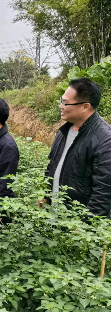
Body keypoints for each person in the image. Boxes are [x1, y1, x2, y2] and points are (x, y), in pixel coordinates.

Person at [45, 78, 111, 217]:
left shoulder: (105, 140)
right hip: (54, 217)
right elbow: (52, 165)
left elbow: (103, 192)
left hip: (77, 227)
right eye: (61, 100)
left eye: (65, 103)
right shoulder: (63, 131)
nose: (60, 106)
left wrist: (83, 229)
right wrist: (46, 194)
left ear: (85, 106)